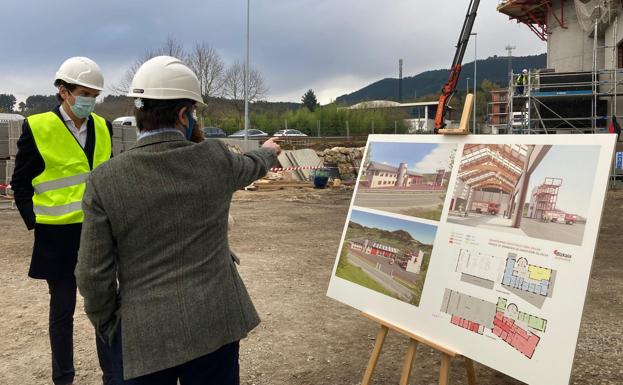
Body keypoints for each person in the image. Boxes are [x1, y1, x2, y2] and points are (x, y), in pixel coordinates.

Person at [75, 56, 281, 385]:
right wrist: (270, 150)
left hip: (142, 337)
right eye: (194, 113)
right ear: (183, 114)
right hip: (216, 324)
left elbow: (92, 273)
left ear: (140, 112)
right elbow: (253, 165)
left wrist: (109, 325)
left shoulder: (105, 179)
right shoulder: (215, 158)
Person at [10, 57, 118, 385]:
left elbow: (108, 177)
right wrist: (36, 223)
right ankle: (63, 378)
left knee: (106, 310)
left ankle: (113, 375)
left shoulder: (104, 127)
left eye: (95, 95)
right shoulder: (38, 126)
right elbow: (20, 183)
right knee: (62, 313)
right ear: (64, 91)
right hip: (56, 238)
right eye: (84, 93)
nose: (90, 101)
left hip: (97, 235)